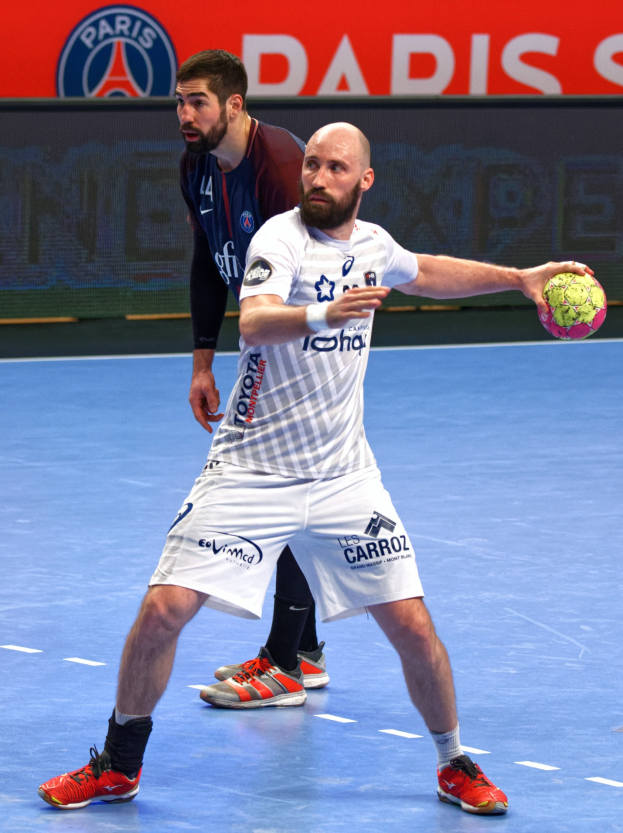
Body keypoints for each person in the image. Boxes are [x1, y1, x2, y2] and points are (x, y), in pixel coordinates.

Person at [38, 122, 593, 815]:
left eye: (335, 168)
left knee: (412, 626)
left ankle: (453, 761)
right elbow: (257, 321)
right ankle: (118, 764)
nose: (317, 177)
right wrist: (327, 311)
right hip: (251, 469)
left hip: (342, 478)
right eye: (311, 165)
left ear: (362, 181)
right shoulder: (278, 239)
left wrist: (519, 277)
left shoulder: (372, 244)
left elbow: (424, 269)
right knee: (162, 611)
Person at [177, 48, 328, 699]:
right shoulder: (198, 167)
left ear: (234, 104)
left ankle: (284, 663)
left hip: (305, 354)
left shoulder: (282, 168)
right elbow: (209, 260)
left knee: (278, 497)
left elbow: (321, 275)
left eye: (198, 103)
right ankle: (307, 649)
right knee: (287, 495)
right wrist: (203, 359)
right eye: (179, 103)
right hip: (258, 348)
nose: (185, 115)